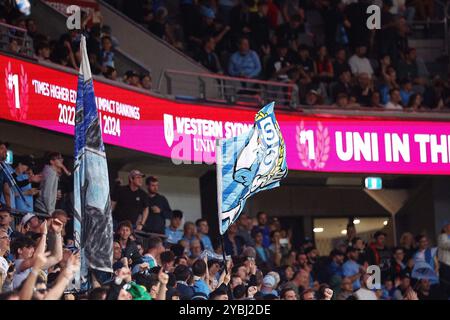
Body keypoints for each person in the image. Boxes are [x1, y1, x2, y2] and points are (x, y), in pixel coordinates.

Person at [437, 221, 450, 297]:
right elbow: (447, 245)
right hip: (445, 265)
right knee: (445, 286)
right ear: (445, 228)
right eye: (449, 226)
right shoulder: (442, 236)